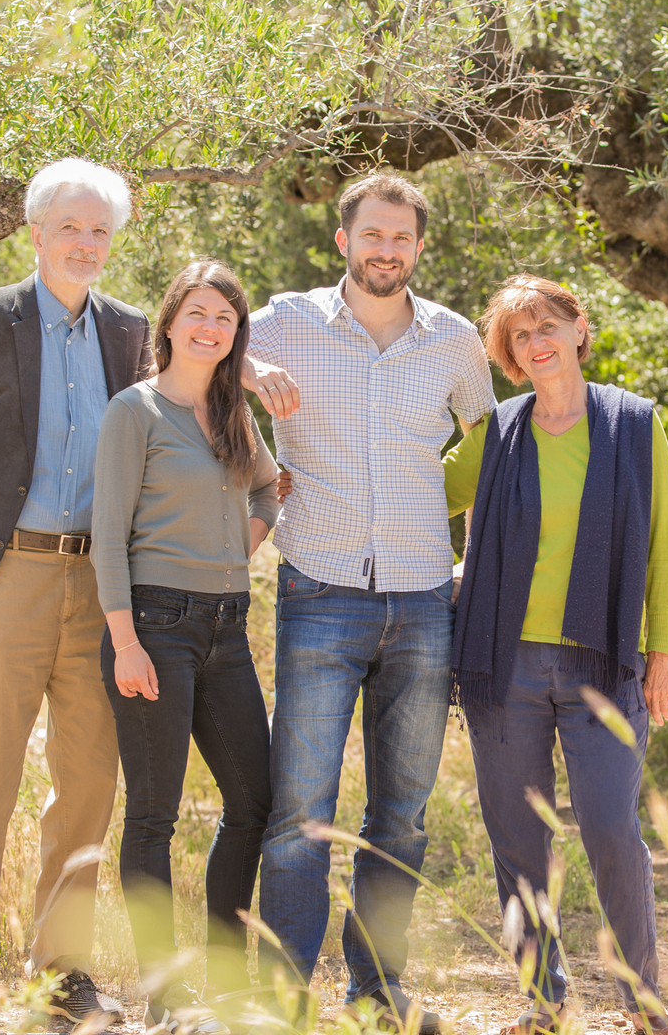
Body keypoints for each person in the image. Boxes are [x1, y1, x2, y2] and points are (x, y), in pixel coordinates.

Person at [0, 158, 151, 1034]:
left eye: (99, 232)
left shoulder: (130, 332)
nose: (85, 245)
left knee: (87, 784)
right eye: (70, 228)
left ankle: (61, 976)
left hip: (101, 586)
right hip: (2, 580)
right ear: (35, 230)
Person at [250, 173, 496, 1033]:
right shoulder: (283, 322)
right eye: (372, 235)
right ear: (343, 241)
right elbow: (179, 352)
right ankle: (281, 1002)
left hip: (426, 600)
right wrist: (246, 366)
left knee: (402, 815)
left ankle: (377, 994)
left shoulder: (457, 342)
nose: (386, 250)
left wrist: (477, 562)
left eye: (402, 238)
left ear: (419, 248)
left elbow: (494, 454)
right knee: (298, 817)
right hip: (318, 591)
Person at [441, 275, 668, 1034]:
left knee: (613, 829)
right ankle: (542, 1003)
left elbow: (666, 550)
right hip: (501, 662)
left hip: (601, 664)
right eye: (520, 334)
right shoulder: (497, 431)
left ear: (580, 329)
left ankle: (645, 1003)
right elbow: (419, 488)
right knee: (517, 839)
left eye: (549, 323)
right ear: (508, 355)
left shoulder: (635, 425)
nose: (538, 340)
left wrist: (663, 654)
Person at [90, 260, 280, 1035]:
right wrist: (125, 642)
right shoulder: (134, 411)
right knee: (155, 816)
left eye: (225, 319)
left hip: (227, 630)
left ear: (236, 335)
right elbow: (108, 534)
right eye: (198, 313)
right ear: (169, 322)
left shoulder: (234, 413)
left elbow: (270, 488)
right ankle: (167, 995)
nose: (210, 328)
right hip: (153, 628)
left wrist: (243, 544)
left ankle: (229, 981)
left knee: (254, 804)